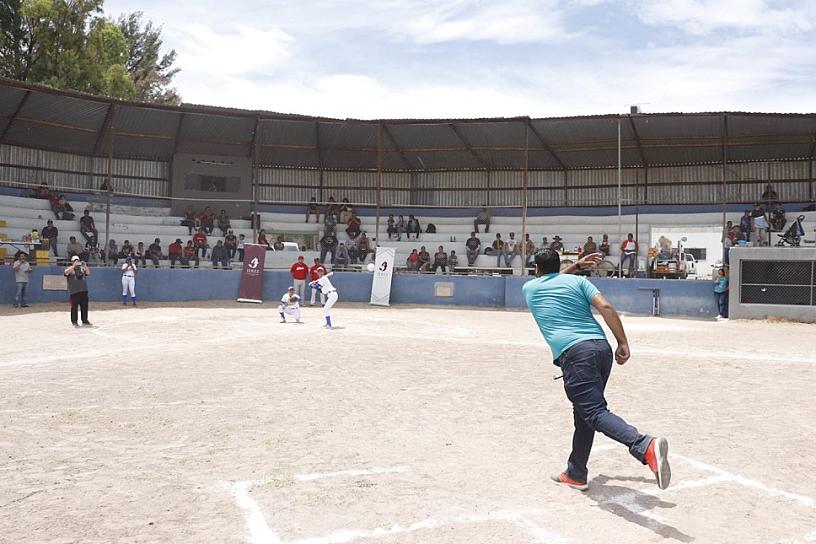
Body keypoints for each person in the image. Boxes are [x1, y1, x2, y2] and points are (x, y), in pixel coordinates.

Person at [523, 248, 670, 492]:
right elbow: (607, 308)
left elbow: (551, 279)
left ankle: (643, 445)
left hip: (575, 355)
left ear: (536, 269)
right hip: (601, 350)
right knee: (583, 415)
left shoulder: (530, 288)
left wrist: (577, 265)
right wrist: (622, 342)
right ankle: (576, 472)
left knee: (592, 411)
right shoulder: (579, 282)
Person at [64, 256, 92, 327]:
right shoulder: (69, 269)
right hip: (74, 291)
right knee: (74, 307)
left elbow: (88, 273)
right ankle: (74, 321)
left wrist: (85, 265)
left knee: (84, 307)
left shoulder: (82, 269)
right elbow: (66, 273)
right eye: (75, 260)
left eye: (77, 260)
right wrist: (73, 266)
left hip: (83, 290)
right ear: (72, 261)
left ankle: (85, 320)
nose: (77, 262)